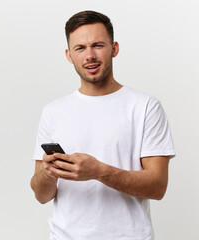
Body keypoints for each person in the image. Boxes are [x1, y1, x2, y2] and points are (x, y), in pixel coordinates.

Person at [30, 10, 175, 240]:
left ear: (114, 48)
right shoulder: (52, 112)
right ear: (69, 55)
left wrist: (99, 171)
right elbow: (41, 195)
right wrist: (48, 174)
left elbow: (158, 187)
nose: (90, 55)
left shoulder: (146, 106)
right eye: (80, 48)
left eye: (98, 45)